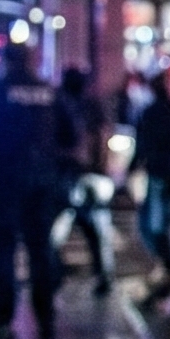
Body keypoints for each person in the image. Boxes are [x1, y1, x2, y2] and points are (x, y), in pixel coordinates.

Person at [0, 43, 76, 339]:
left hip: (3, 184)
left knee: (4, 254)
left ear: (6, 61)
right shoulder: (48, 92)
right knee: (40, 252)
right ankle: (46, 319)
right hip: (41, 183)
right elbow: (71, 137)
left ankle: (3, 320)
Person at [51, 66, 116, 296]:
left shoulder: (63, 106)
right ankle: (103, 276)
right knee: (96, 229)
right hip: (89, 175)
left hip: (74, 175)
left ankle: (55, 272)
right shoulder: (89, 106)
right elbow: (103, 138)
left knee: (62, 226)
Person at [128, 64, 170, 291]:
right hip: (168, 172)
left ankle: (168, 265)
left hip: (159, 173)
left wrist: (132, 168)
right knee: (159, 221)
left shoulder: (152, 112)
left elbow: (142, 146)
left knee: (154, 223)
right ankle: (167, 264)